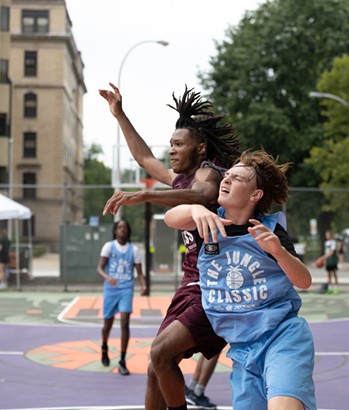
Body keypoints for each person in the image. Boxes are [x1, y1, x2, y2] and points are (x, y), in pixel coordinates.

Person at [99, 83, 240, 410]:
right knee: (155, 368)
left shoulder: (209, 174)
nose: (172, 150)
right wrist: (120, 115)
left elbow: (202, 196)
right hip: (189, 285)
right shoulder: (178, 180)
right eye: (171, 144)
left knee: (160, 354)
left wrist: (145, 195)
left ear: (200, 148)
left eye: (179, 144)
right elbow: (145, 157)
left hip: (215, 286)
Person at [164, 150, 317, 410]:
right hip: (242, 349)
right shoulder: (208, 222)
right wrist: (194, 208)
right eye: (228, 175)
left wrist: (278, 251)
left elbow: (304, 281)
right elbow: (170, 219)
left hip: (281, 337)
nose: (226, 179)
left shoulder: (269, 230)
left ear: (255, 195)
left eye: (237, 178)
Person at [97, 220, 146, 375]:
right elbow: (99, 268)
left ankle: (122, 360)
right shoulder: (109, 247)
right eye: (119, 227)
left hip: (126, 288)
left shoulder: (134, 250)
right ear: (115, 231)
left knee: (124, 322)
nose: (122, 230)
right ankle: (104, 347)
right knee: (108, 324)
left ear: (128, 231)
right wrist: (107, 277)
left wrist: (143, 285)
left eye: (125, 228)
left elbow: (139, 272)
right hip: (111, 289)